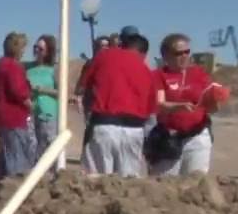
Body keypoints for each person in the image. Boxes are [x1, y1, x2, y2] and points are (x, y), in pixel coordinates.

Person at [79, 29, 156, 177]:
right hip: (133, 131)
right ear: (144, 54)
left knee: (95, 183)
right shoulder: (147, 71)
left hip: (104, 126)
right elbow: (151, 111)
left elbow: (85, 87)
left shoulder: (104, 56)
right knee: (128, 187)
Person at [147, 34, 218, 177]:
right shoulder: (158, 75)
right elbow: (159, 104)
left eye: (187, 52)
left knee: (196, 180)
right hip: (169, 138)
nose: (184, 56)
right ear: (166, 56)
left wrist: (216, 99)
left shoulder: (198, 73)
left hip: (197, 135)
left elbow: (211, 105)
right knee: (164, 182)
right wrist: (179, 107)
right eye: (178, 53)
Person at [0, 32, 35, 193]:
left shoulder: (0, 65)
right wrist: (31, 106)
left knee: (5, 153)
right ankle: (13, 191)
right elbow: (18, 92)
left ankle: (0, 189)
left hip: (2, 115)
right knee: (17, 156)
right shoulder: (12, 66)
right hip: (14, 116)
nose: (24, 51)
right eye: (23, 47)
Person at [27, 34, 62, 171]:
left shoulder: (54, 70)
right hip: (30, 112)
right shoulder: (28, 68)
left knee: (48, 149)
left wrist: (42, 90)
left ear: (48, 51)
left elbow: (62, 92)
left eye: (40, 49)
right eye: (35, 47)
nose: (36, 51)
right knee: (32, 150)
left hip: (48, 114)